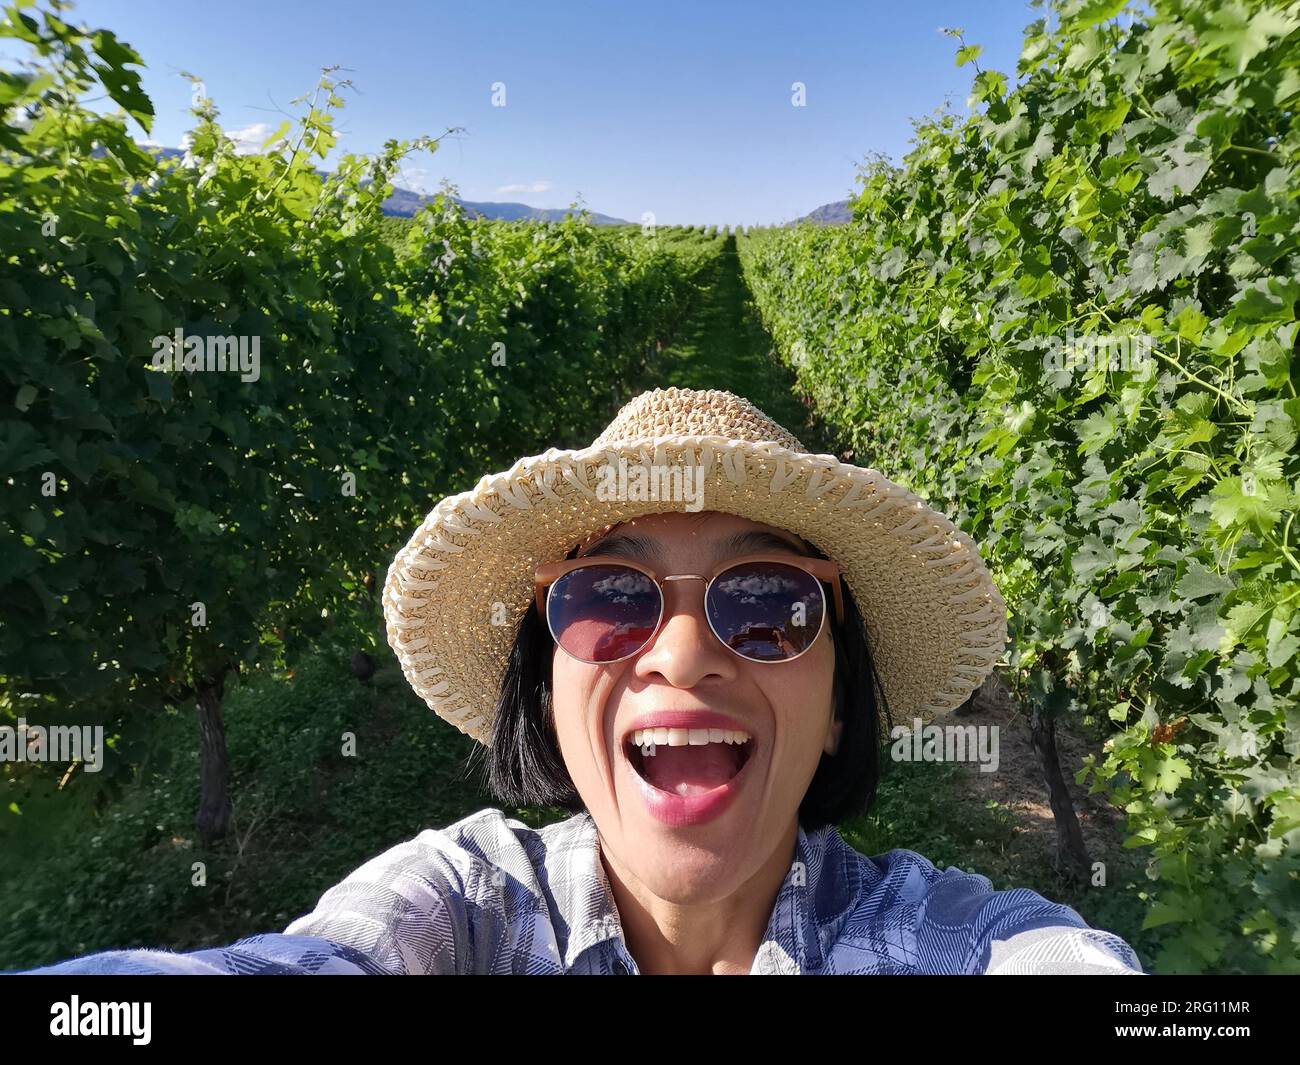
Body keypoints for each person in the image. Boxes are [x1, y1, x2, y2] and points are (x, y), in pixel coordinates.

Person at [12, 387, 1144, 975]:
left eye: (768, 602)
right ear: (542, 683)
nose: (684, 652)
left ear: (841, 693)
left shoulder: (966, 941)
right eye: (606, 598)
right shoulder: (461, 906)